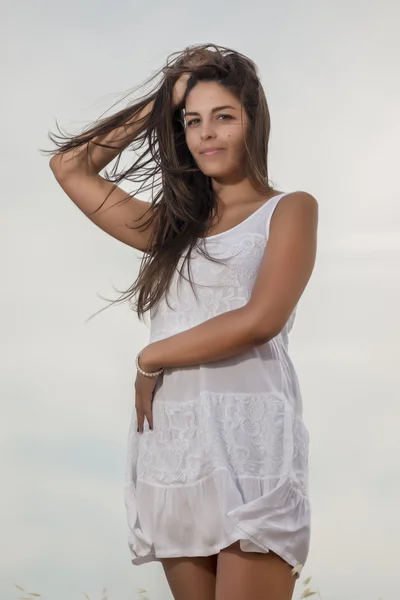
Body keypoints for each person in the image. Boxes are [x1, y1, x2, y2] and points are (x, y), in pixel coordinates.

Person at [46, 43, 318, 600]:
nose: (207, 134)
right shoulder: (172, 231)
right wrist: (166, 96)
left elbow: (261, 319)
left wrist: (152, 357)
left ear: (253, 124)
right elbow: (69, 166)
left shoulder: (289, 209)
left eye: (224, 117)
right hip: (174, 447)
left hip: (250, 447)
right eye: (193, 121)